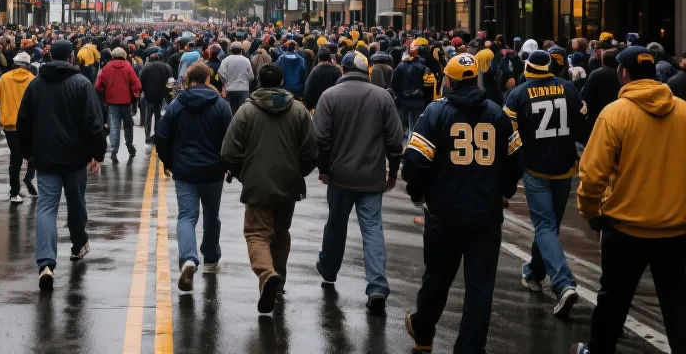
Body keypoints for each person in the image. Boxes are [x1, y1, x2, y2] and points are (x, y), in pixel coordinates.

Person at [402, 53, 522, 353]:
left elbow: (415, 160)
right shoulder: (498, 114)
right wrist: (504, 191)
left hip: (445, 214)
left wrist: (418, 192)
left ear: (448, 81)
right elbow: (515, 160)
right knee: (480, 289)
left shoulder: (435, 113)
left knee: (437, 278)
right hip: (486, 216)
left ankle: (424, 333)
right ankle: (470, 347)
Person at [572, 46, 686, 354]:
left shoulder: (615, 113)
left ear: (623, 74)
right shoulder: (683, 112)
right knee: (678, 308)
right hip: (676, 229)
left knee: (612, 302)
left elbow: (593, 175)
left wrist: (591, 211)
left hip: (625, 228)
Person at [221, 63, 317, 314]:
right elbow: (310, 150)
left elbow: (228, 152)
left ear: (258, 82)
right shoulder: (299, 110)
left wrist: (241, 173)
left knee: (256, 233)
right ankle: (279, 278)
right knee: (281, 232)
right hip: (289, 182)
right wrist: (299, 172)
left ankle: (267, 274)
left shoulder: (246, 111)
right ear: (283, 81)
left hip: (256, 181)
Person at [313, 51, 404, 313]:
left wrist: (324, 168)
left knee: (336, 224)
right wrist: (393, 172)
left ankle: (329, 268)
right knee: (373, 228)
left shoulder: (330, 96)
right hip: (371, 176)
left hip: (340, 176)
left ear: (343, 69)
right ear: (368, 72)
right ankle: (376, 285)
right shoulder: (382, 97)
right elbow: (394, 140)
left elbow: (321, 138)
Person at [17, 40, 106, 292]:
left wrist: (27, 152)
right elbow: (94, 122)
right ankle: (78, 245)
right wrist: (96, 153)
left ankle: (46, 262)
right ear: (70, 58)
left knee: (46, 208)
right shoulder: (81, 83)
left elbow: (23, 120)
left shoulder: (36, 84)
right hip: (76, 157)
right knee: (76, 203)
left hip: (45, 157)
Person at [503, 49, 587, 317]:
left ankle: (563, 284)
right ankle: (535, 272)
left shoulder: (518, 94)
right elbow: (582, 122)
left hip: (536, 168)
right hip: (565, 168)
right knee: (550, 226)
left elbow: (509, 134)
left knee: (545, 226)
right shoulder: (569, 88)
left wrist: (512, 168)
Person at [153, 62, 233, 293]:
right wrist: (228, 164)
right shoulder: (220, 105)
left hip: (185, 169)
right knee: (211, 214)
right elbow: (231, 138)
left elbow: (161, 135)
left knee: (186, 216)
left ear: (189, 79)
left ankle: (188, 258)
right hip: (213, 169)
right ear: (208, 78)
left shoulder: (177, 104)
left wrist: (168, 161)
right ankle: (210, 258)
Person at [0, 51, 37, 203]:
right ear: (28, 65)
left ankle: (14, 193)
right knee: (33, 154)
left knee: (15, 158)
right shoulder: (33, 80)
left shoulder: (4, 78)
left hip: (10, 125)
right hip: (29, 126)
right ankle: (29, 176)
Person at [95, 46, 142, 164]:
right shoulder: (128, 66)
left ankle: (114, 151)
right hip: (126, 103)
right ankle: (129, 145)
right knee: (128, 125)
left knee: (114, 127)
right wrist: (134, 93)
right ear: (124, 56)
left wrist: (106, 91)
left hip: (112, 103)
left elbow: (98, 85)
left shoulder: (107, 67)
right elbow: (137, 85)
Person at [580, 49, 622, 135]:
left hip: (597, 116)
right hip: (618, 116)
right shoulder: (621, 75)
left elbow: (584, 94)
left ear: (603, 60)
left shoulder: (595, 74)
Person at [391, 43, 429, 136]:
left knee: (399, 127)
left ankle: (399, 146)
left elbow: (393, 84)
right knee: (415, 129)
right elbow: (428, 86)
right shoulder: (424, 67)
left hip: (402, 101)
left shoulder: (400, 65)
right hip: (417, 102)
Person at [138, 53, 173, 139]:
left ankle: (147, 135)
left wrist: (141, 91)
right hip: (160, 95)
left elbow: (141, 78)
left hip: (149, 96)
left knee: (148, 117)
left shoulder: (146, 67)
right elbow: (169, 78)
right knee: (158, 117)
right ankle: (157, 135)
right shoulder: (164, 66)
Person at [218, 41, 254, 114]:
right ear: (241, 50)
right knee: (243, 113)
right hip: (244, 89)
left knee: (230, 112)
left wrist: (226, 81)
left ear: (231, 50)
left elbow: (221, 73)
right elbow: (251, 76)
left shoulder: (226, 60)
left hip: (230, 89)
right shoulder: (246, 60)